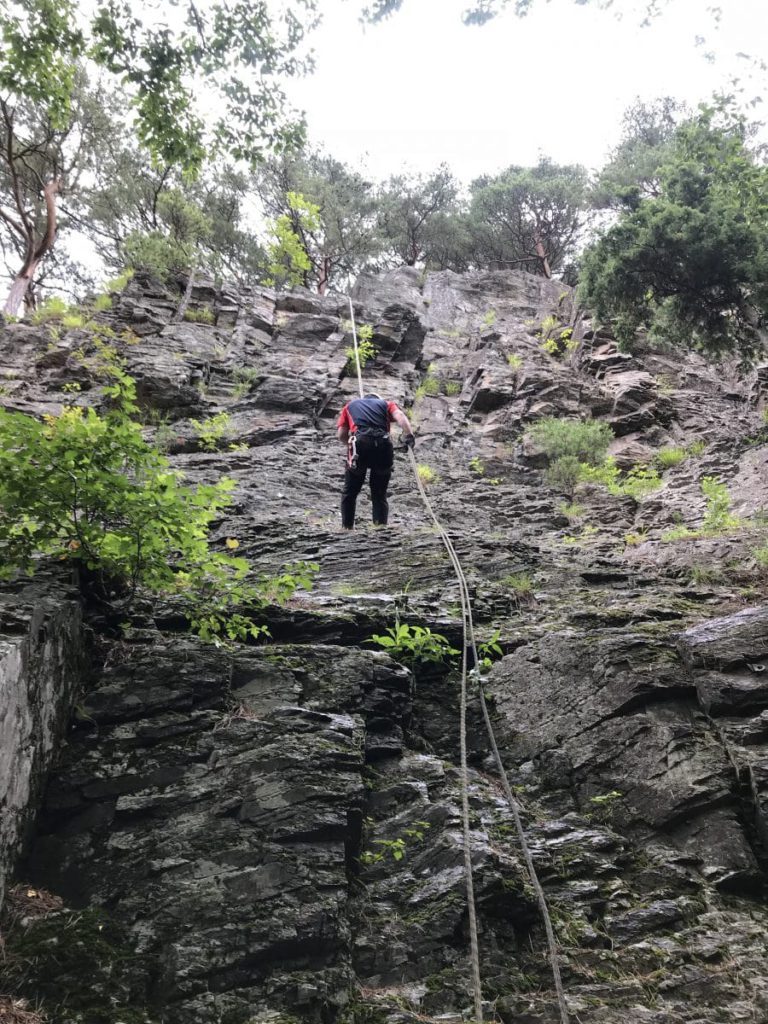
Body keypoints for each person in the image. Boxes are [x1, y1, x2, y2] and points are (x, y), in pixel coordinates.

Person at [336, 392, 415, 530]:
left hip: (360, 445)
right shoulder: (386, 404)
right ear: (377, 399)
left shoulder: (350, 406)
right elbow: (400, 416)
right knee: (379, 493)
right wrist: (409, 435)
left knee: (350, 491)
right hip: (383, 445)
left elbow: (341, 434)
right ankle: (379, 529)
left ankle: (347, 529)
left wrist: (349, 444)